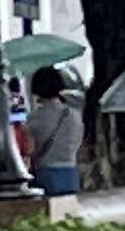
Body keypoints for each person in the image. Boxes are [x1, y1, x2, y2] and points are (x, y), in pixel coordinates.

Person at [16, 66, 87, 194]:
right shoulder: (73, 115)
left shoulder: (34, 118)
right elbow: (79, 141)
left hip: (45, 174)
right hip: (70, 172)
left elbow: (30, 149)